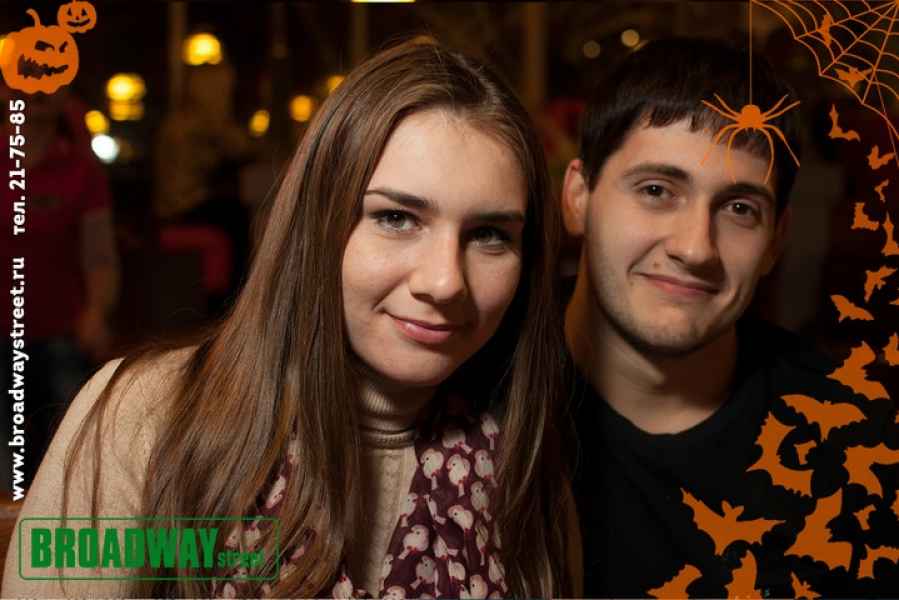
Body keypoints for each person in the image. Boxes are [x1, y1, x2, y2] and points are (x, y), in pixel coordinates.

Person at [2, 39, 580, 598]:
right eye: (396, 218)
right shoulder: (148, 418)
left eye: (489, 234)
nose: (445, 281)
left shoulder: (526, 464)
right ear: (316, 221)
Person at [564, 38, 898, 597]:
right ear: (578, 196)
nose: (696, 248)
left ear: (776, 242)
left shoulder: (856, 449)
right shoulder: (471, 407)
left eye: (741, 208)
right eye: (656, 190)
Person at [0, 84, 119, 492]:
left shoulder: (81, 170)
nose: (34, 90)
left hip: (61, 335)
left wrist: (97, 310)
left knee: (70, 463)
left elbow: (99, 253)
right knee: (5, 471)